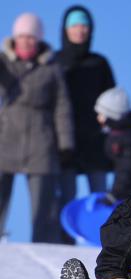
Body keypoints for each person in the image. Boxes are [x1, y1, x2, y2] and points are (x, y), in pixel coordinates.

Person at [0, 12, 74, 243]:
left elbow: (62, 107)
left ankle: (43, 245)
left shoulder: (51, 68)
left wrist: (66, 144)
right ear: (15, 37)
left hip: (41, 142)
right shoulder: (4, 62)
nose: (26, 42)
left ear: (39, 39)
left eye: (31, 37)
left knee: (43, 203)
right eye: (22, 37)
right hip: (6, 137)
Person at [55, 5, 115, 241]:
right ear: (66, 30)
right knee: (66, 198)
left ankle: (103, 246)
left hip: (95, 142)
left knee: (100, 199)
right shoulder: (56, 62)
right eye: (75, 26)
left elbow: (111, 101)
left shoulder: (99, 63)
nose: (80, 31)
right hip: (66, 142)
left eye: (84, 26)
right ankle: (62, 247)